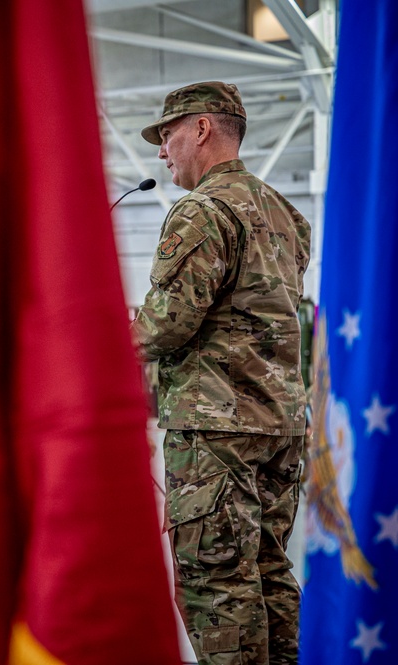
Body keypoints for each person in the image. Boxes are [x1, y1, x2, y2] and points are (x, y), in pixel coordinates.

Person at [132, 82, 310, 664]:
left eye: (168, 135)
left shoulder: (203, 210)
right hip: (280, 428)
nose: (163, 152)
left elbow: (167, 324)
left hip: (217, 432)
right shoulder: (285, 214)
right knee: (267, 573)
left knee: (217, 587)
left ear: (202, 128)